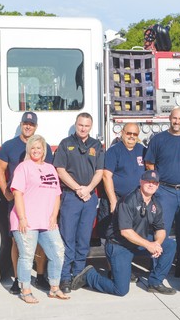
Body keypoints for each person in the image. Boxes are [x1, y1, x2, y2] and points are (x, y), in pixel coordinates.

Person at [71, 170, 177, 296]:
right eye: (148, 181)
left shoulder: (156, 204)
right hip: (119, 245)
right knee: (121, 290)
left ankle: (155, 282)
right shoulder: (128, 200)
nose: (151, 184)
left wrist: (157, 243)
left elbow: (160, 229)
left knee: (169, 244)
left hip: (138, 242)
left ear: (158, 185)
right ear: (141, 182)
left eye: (154, 183)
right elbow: (126, 232)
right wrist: (149, 245)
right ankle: (89, 276)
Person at [0, 111, 55, 294]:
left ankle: (41, 276)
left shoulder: (43, 146)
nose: (28, 126)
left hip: (39, 202)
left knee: (40, 241)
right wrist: (7, 193)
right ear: (21, 124)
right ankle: (18, 279)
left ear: (36, 126)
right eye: (25, 123)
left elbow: (49, 172)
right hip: (18, 201)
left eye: (31, 124)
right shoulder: (9, 146)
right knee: (17, 242)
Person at [10, 135, 68, 303]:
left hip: (46, 221)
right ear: (29, 150)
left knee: (58, 253)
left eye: (39, 148)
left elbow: (57, 194)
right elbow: (17, 193)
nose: (36, 151)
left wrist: (53, 216)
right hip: (26, 220)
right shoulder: (23, 167)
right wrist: (22, 217)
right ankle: (25, 290)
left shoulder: (50, 168)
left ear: (44, 151)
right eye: (33, 148)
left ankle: (54, 288)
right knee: (27, 255)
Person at [145, 107, 180, 277]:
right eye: (174, 118)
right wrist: (158, 185)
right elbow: (149, 164)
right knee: (161, 232)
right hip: (165, 191)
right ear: (169, 118)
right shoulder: (159, 140)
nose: (177, 121)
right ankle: (158, 270)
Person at [55, 112, 105, 293]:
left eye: (86, 126)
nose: (83, 128)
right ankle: (64, 278)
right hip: (71, 197)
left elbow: (100, 171)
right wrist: (78, 188)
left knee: (83, 239)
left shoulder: (96, 145)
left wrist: (89, 189)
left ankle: (78, 275)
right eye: (80, 125)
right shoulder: (65, 144)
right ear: (76, 125)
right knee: (68, 239)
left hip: (89, 198)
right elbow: (60, 169)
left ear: (91, 127)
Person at [100, 122, 146, 235]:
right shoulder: (113, 151)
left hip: (137, 200)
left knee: (136, 233)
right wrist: (113, 201)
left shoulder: (143, 150)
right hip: (118, 199)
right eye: (129, 133)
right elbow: (106, 176)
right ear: (122, 133)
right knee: (113, 234)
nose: (131, 136)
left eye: (135, 134)